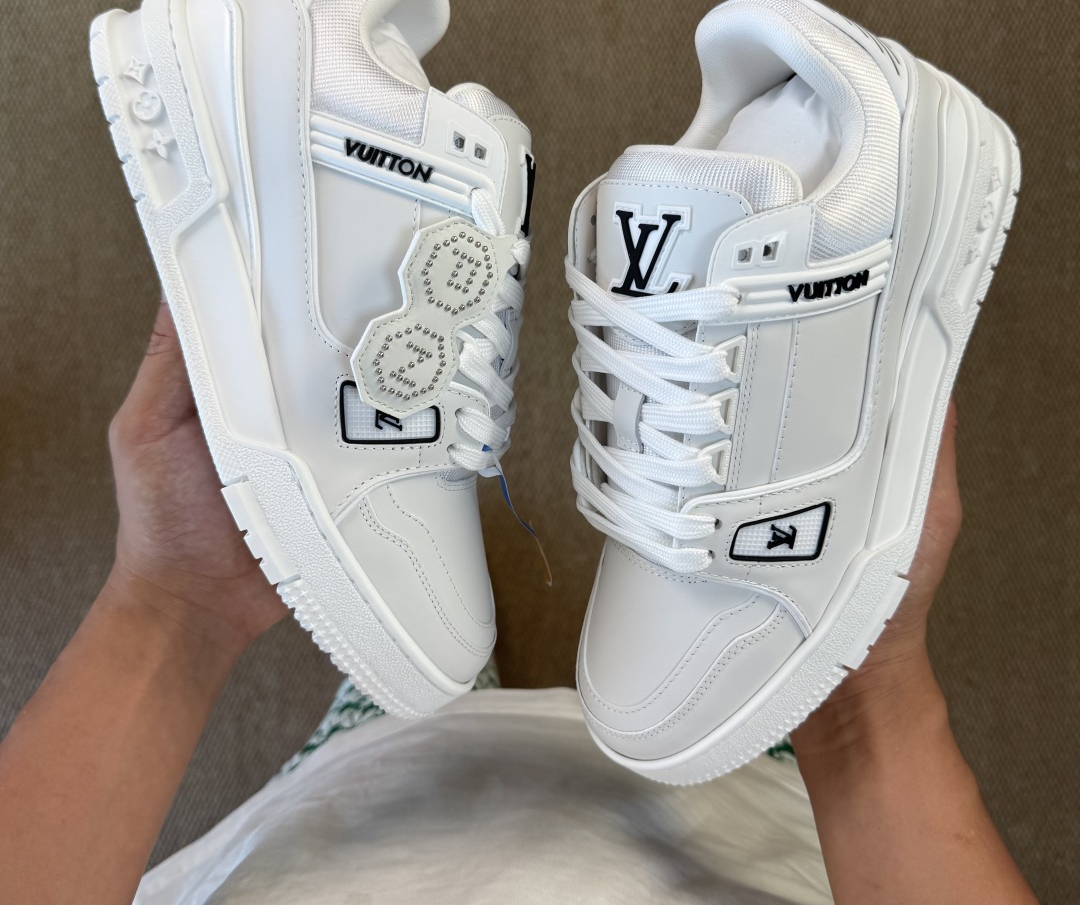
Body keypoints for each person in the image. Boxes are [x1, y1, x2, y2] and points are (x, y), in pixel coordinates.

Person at [0, 303, 1039, 904]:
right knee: (746, 689)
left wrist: (176, 607)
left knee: (397, 715)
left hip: (336, 841)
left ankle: (399, 673)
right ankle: (743, 665)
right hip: (750, 832)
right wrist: (858, 698)